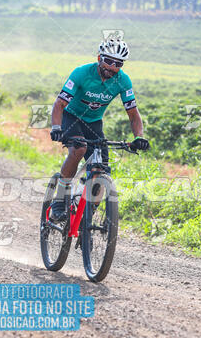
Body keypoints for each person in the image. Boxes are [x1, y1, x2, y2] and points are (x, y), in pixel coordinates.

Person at [49, 36, 150, 221]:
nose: (112, 67)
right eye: (108, 61)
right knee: (79, 148)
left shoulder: (123, 81)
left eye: (118, 63)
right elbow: (59, 104)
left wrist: (139, 137)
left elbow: (133, 114)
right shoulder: (81, 73)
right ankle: (60, 198)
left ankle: (87, 220)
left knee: (101, 170)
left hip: (94, 122)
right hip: (71, 118)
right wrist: (56, 127)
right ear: (99, 58)